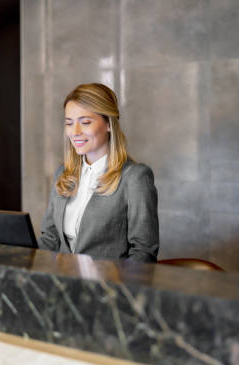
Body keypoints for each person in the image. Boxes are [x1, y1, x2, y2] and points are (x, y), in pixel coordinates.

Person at [39, 83, 159, 262]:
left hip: (108, 286)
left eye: (85, 122)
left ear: (109, 124)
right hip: (62, 284)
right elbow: (50, 239)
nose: (75, 132)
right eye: (69, 123)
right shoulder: (63, 174)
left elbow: (144, 251)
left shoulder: (135, 177)